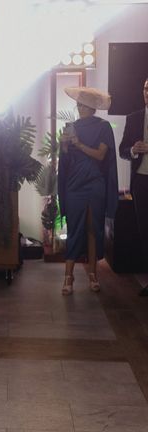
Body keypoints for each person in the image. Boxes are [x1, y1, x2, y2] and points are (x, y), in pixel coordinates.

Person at [58, 87, 118, 295]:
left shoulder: (104, 127)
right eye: (79, 104)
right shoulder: (71, 127)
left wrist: (79, 144)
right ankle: (68, 276)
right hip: (74, 184)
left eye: (84, 104)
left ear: (93, 107)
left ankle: (93, 274)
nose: (80, 107)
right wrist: (64, 146)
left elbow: (101, 155)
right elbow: (66, 161)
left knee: (93, 229)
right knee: (74, 228)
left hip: (95, 183)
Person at [119, 78, 148, 296]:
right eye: (146, 89)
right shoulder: (134, 118)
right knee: (144, 231)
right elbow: (122, 150)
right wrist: (133, 150)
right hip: (140, 180)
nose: (147, 92)